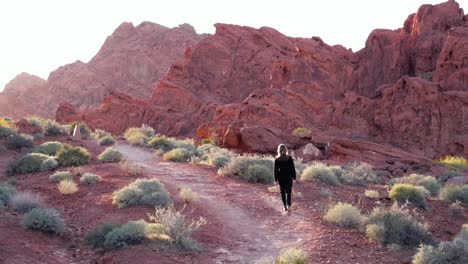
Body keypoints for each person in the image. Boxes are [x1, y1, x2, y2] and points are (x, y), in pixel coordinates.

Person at [274, 144, 296, 211]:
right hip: (289, 178)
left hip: (281, 178)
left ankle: (285, 206)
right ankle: (288, 205)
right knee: (288, 192)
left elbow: (275, 170)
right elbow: (292, 168)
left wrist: (275, 179)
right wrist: (294, 177)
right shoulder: (289, 158)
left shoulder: (277, 159)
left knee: (282, 192)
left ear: (279, 150)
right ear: (286, 150)